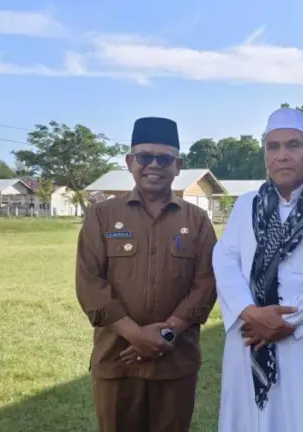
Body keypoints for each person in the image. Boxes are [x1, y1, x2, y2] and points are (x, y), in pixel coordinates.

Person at [212, 107, 303, 431]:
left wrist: (288, 322)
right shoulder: (247, 204)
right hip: (251, 335)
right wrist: (251, 312)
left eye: (293, 145)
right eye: (273, 146)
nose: (282, 155)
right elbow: (224, 260)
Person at [75, 116, 218, 432]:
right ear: (130, 162)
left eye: (164, 159)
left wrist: (168, 333)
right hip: (118, 359)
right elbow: (90, 284)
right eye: (144, 157)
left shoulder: (196, 221)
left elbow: (206, 283)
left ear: (178, 166)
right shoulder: (102, 216)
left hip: (175, 361)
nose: (154, 165)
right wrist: (136, 335)